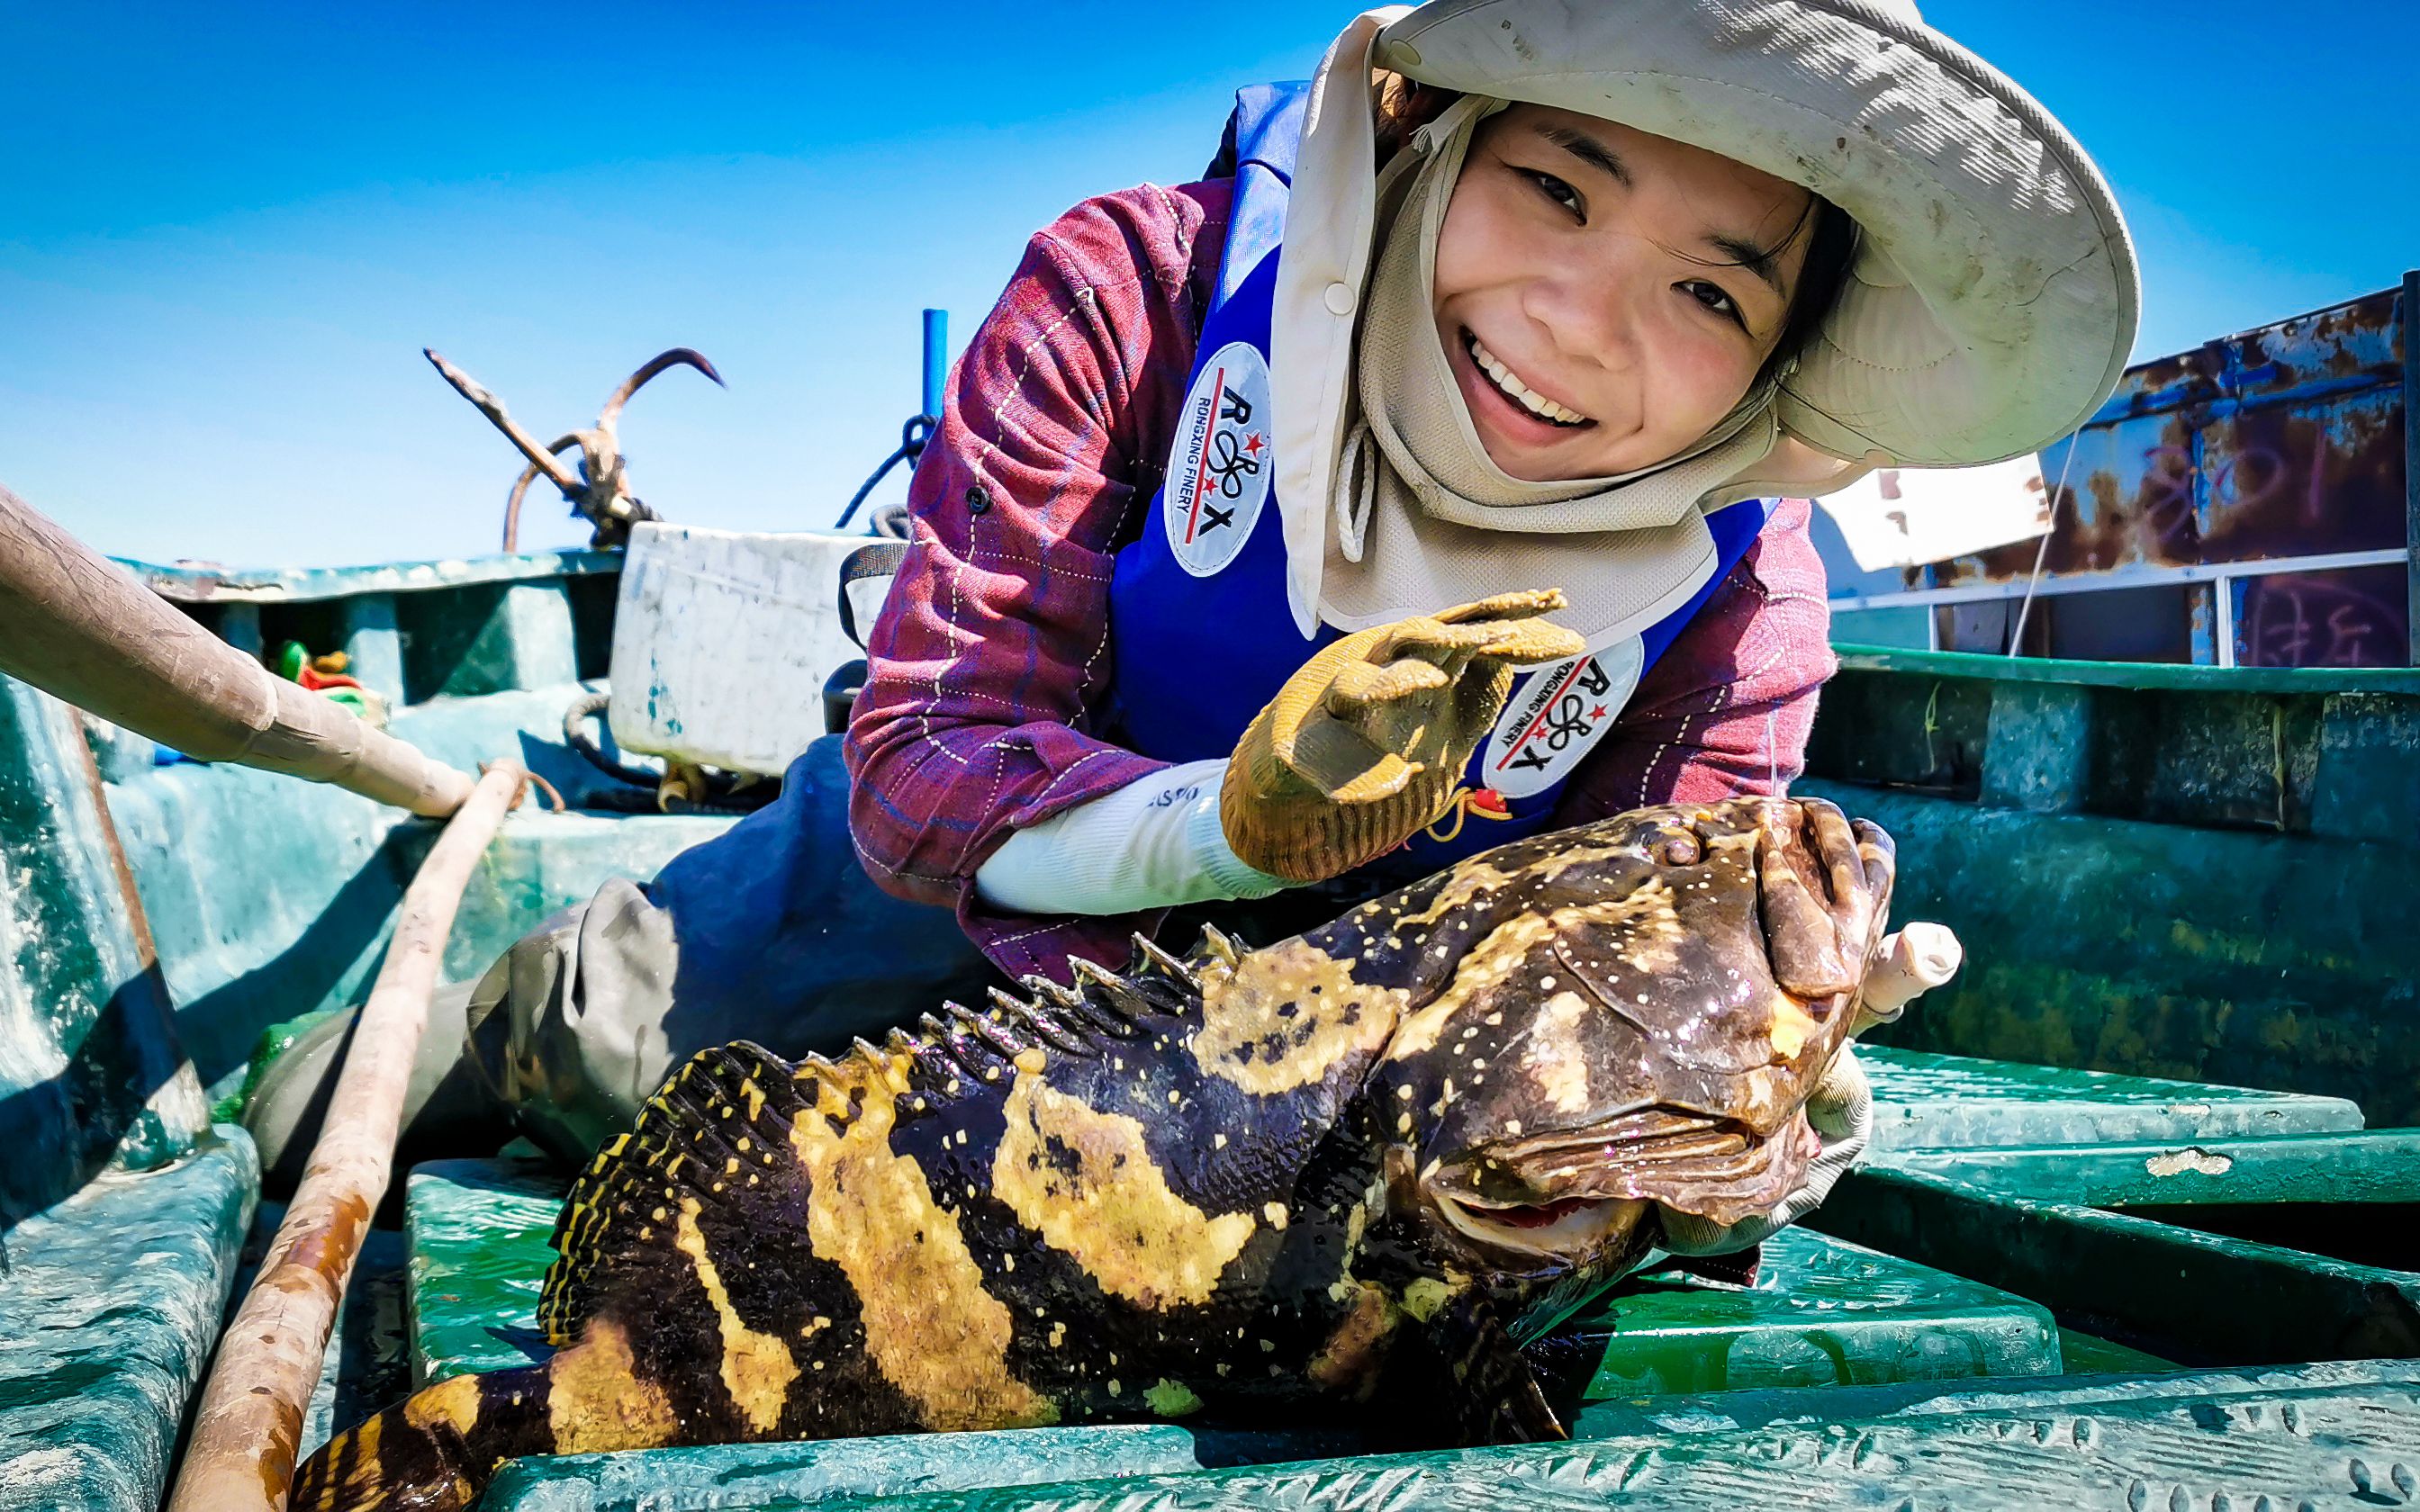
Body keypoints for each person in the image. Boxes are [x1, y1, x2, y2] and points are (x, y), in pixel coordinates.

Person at [246, 0, 2136, 1256]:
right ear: (1431, 140)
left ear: (1783, 361)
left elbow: (1652, 963)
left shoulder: (1743, 605)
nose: (1574, 323)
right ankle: (482, 1020)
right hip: (933, 900)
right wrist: (1224, 824)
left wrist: (1751, 1090)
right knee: (596, 1050)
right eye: (1554, 186)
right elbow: (926, 755)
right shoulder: (1133, 292)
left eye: (1710, 292)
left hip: (1337, 1077)